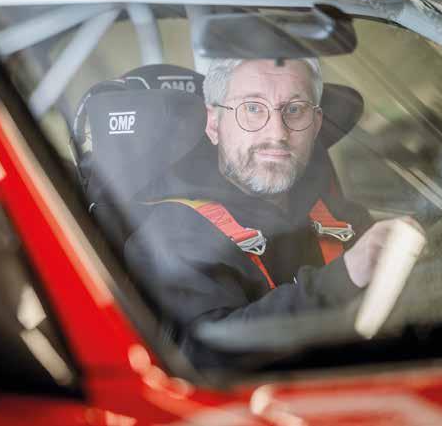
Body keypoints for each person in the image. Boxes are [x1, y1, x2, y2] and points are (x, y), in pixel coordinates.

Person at [124, 58, 423, 367]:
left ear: (316, 124)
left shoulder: (341, 216)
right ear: (214, 124)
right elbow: (207, 360)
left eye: (294, 109)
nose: (277, 133)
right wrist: (344, 277)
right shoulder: (168, 238)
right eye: (253, 108)